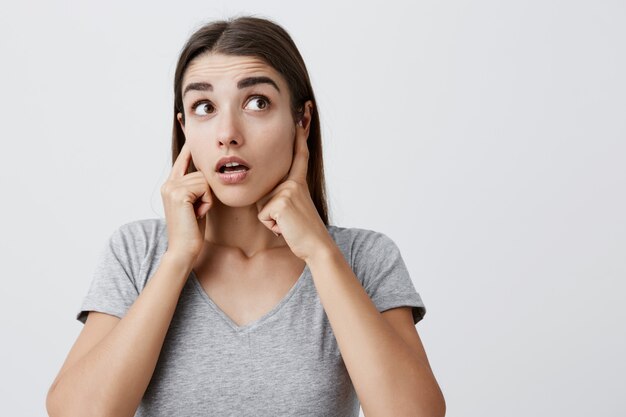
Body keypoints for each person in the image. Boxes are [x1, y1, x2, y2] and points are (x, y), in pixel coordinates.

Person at [46, 16, 445, 417]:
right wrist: (178, 257)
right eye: (204, 107)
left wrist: (321, 254)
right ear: (184, 128)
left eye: (257, 102)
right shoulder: (137, 252)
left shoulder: (364, 257)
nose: (228, 133)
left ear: (301, 121)